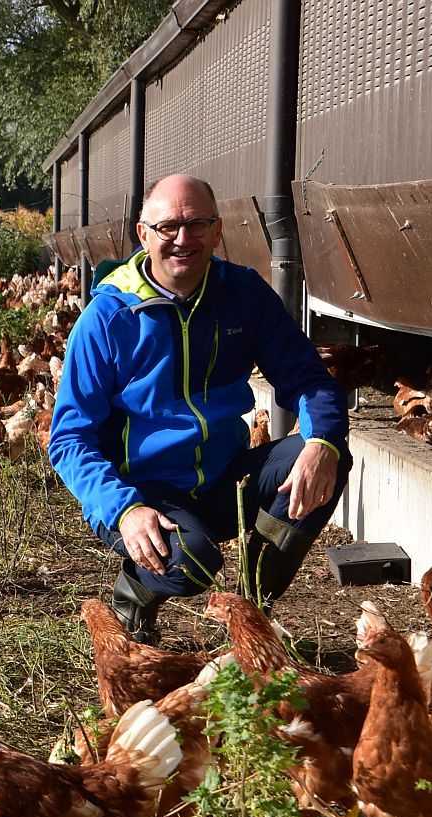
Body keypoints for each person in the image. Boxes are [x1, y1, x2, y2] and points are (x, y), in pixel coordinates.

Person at [48, 173, 351, 642]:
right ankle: (133, 592)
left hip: (224, 477)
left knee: (326, 454)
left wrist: (321, 440)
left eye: (197, 224)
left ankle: (251, 615)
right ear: (143, 234)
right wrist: (124, 510)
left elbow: (307, 378)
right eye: (168, 227)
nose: (183, 239)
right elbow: (69, 440)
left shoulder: (243, 295)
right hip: (145, 491)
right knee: (193, 563)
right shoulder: (108, 319)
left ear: (217, 230)